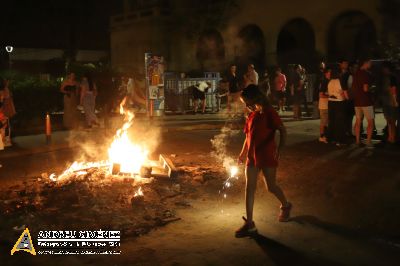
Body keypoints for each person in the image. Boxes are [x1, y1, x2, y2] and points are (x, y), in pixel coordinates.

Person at [236, 84, 292, 238]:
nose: (246, 105)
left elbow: (282, 130)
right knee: (249, 188)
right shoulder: (251, 115)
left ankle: (286, 205)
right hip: (252, 157)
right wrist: (242, 154)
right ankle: (250, 223)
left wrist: (280, 148)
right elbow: (247, 137)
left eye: (247, 101)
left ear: (255, 98)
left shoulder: (269, 112)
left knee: (271, 187)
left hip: (266, 155)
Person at [352, 59, 374, 147]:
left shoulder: (356, 73)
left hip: (357, 101)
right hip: (366, 101)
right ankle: (368, 141)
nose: (371, 64)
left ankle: (357, 140)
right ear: (365, 62)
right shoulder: (365, 74)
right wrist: (372, 88)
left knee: (358, 121)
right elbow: (365, 88)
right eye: (370, 62)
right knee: (370, 122)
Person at [328, 66, 348, 146]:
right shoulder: (341, 80)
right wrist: (347, 98)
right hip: (339, 102)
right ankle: (339, 140)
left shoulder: (330, 81)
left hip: (331, 102)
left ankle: (331, 138)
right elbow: (345, 93)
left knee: (332, 121)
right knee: (339, 122)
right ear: (339, 73)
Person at [380, 62, 398, 144]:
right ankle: (390, 137)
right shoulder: (384, 78)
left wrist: (395, 101)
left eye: (384, 68)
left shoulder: (392, 77)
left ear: (387, 69)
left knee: (392, 121)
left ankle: (392, 137)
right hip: (386, 101)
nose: (383, 70)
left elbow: (393, 89)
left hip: (390, 102)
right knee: (389, 120)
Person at [1, 79, 15, 146]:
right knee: (6, 125)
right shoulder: (6, 90)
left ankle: (6, 141)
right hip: (6, 111)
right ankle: (6, 141)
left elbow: (5, 100)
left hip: (6, 111)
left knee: (5, 125)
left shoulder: (5, 90)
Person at [318, 68, 331, 143]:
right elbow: (321, 95)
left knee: (326, 121)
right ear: (326, 73)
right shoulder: (324, 82)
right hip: (323, 105)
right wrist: (330, 96)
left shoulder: (328, 81)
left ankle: (325, 135)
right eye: (329, 72)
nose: (331, 74)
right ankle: (322, 136)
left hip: (326, 105)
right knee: (323, 121)